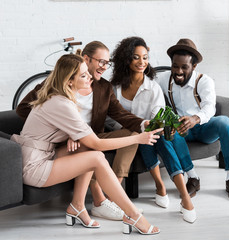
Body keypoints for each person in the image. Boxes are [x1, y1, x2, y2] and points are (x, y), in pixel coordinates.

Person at [11, 54, 161, 234]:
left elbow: (69, 131)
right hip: (34, 166)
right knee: (96, 157)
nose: (89, 76)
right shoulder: (61, 103)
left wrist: (72, 135)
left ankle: (77, 206)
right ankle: (133, 215)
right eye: (83, 75)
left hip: (43, 153)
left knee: (86, 147)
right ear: (69, 82)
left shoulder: (61, 97)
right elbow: (97, 143)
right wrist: (138, 138)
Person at [110, 36, 196, 223]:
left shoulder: (153, 87)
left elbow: (157, 116)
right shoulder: (115, 88)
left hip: (151, 132)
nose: (142, 62)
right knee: (142, 138)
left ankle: (184, 196)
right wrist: (133, 129)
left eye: (145, 57)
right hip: (129, 135)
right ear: (126, 59)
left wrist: (152, 127)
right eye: (136, 57)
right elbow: (111, 119)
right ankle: (160, 186)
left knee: (161, 138)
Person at [156, 38, 229, 201]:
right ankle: (193, 178)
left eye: (184, 67)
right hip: (182, 130)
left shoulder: (204, 81)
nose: (179, 71)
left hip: (203, 127)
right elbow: (148, 88)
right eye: (175, 66)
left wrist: (195, 119)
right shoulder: (164, 79)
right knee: (170, 129)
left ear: (194, 66)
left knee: (225, 122)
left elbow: (210, 107)